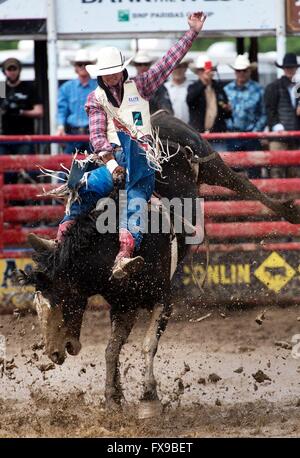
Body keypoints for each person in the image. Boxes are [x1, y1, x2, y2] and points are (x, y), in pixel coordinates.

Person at [29, 11, 207, 280]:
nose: (112, 78)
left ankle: (124, 254)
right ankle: (62, 237)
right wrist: (111, 165)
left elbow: (167, 63)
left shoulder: (141, 85)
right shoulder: (95, 99)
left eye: (115, 73)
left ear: (122, 71)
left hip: (141, 158)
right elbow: (98, 137)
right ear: (100, 75)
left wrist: (191, 33)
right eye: (107, 74)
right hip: (112, 158)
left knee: (134, 200)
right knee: (83, 184)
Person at [0, 57, 44, 183]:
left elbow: (39, 112)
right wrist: (5, 108)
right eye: (9, 69)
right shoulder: (1, 87)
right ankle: (8, 201)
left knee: (27, 170)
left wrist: (21, 111)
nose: (12, 72)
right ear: (4, 71)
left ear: (19, 70)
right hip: (4, 137)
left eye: (14, 68)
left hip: (25, 137)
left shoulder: (28, 87)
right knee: (6, 172)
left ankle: (26, 201)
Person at [224, 54, 267, 178]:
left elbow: (264, 114)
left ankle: (256, 197)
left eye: (244, 70)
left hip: (252, 135)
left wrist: (255, 131)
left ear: (249, 71)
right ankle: (234, 197)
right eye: (238, 70)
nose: (241, 73)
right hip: (232, 135)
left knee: (254, 171)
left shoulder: (259, 89)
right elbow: (221, 114)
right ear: (235, 72)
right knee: (231, 172)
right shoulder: (226, 90)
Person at [265, 53, 300, 178]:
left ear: (296, 69)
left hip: (295, 136)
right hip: (278, 136)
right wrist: (277, 127)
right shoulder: (273, 87)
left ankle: (293, 198)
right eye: (288, 67)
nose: (290, 70)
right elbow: (269, 111)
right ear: (283, 69)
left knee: (295, 172)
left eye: (292, 67)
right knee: (277, 170)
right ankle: (279, 198)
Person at [56, 49, 98, 154]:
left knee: (97, 167)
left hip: (95, 134)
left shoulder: (99, 87)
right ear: (75, 68)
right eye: (80, 64)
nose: (83, 67)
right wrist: (60, 127)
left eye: (86, 64)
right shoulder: (66, 88)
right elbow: (62, 110)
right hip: (72, 135)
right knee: (68, 167)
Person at [187, 55, 231, 151]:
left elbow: (227, 114)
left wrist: (227, 109)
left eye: (207, 70)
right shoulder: (193, 87)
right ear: (198, 72)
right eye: (202, 70)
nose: (205, 73)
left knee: (220, 163)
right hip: (198, 135)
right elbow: (190, 100)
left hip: (217, 136)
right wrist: (204, 84)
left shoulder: (218, 88)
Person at [165, 57, 191, 123]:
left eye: (181, 66)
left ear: (186, 68)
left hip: (190, 129)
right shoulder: (164, 88)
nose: (178, 70)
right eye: (176, 67)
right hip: (169, 129)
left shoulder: (193, 87)